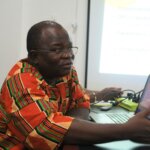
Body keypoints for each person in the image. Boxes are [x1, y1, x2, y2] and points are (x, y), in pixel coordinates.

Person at [0, 20, 150, 150]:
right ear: (34, 57)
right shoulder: (21, 83)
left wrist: (74, 129)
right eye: (56, 49)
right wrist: (126, 130)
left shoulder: (66, 72)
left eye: (69, 48)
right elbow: (45, 131)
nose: (68, 55)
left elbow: (80, 102)